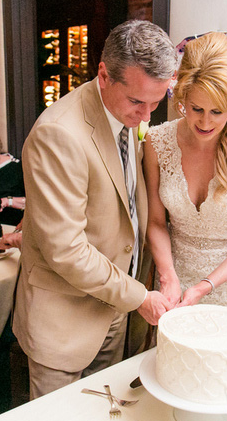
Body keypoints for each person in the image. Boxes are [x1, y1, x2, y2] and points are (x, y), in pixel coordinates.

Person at [13, 20, 177, 398]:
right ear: (104, 75)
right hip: (64, 321)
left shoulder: (126, 119)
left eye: (157, 102)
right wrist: (140, 297)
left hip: (113, 312)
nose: (148, 115)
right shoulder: (58, 134)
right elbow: (66, 250)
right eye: (137, 101)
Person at [143, 32, 227, 344]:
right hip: (177, 280)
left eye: (217, 111)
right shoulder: (157, 142)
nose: (205, 122)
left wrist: (205, 285)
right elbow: (156, 222)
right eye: (195, 109)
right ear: (182, 99)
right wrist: (168, 275)